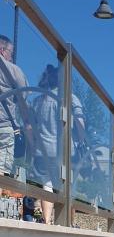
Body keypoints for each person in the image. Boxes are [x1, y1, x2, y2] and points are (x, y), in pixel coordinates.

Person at [32, 64, 85, 224]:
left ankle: (46, 221)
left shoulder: (38, 100)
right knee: (68, 188)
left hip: (42, 151)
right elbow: (80, 122)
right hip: (64, 151)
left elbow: (30, 127)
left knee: (46, 184)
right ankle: (67, 223)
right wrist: (81, 139)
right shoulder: (69, 97)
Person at [0, 35, 33, 188]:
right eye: (10, 53)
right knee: (1, 173)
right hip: (4, 125)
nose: (11, 57)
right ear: (2, 50)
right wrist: (26, 122)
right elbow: (24, 97)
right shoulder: (13, 70)